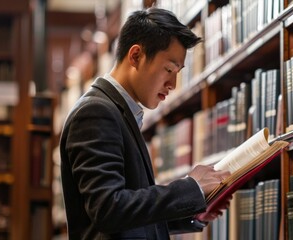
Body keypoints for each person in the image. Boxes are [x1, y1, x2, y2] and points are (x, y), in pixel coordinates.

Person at [59, 7, 231, 240]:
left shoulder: (118, 112)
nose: (173, 83)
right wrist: (191, 188)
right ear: (136, 55)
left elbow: (125, 217)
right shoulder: (96, 112)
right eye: (168, 69)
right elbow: (108, 209)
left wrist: (192, 209)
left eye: (178, 72)